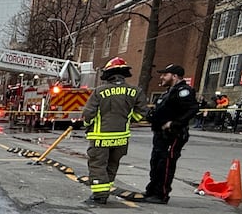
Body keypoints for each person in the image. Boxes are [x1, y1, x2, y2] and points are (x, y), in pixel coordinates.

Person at [78, 57, 148, 205]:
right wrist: (127, 120)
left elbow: (89, 114)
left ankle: (99, 196)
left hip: (100, 138)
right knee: (112, 165)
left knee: (98, 166)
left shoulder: (99, 91)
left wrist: (87, 124)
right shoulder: (135, 91)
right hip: (121, 138)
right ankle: (105, 191)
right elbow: (141, 113)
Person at [142, 64, 199, 204]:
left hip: (173, 134)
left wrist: (174, 124)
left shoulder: (183, 91)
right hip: (160, 134)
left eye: (165, 75)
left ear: (174, 76)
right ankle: (152, 190)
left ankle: (161, 194)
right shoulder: (168, 92)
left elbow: (192, 109)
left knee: (165, 163)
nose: (162, 77)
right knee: (155, 162)